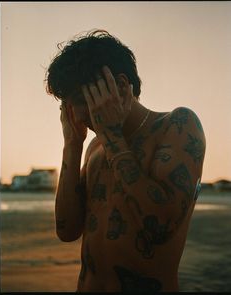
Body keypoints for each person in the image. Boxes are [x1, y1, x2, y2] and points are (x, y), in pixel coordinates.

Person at [45, 29, 206, 292]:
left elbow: (159, 226)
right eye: (67, 106)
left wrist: (111, 137)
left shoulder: (177, 126)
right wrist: (72, 147)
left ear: (119, 87)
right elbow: (67, 230)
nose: (75, 114)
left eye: (78, 101)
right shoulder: (95, 149)